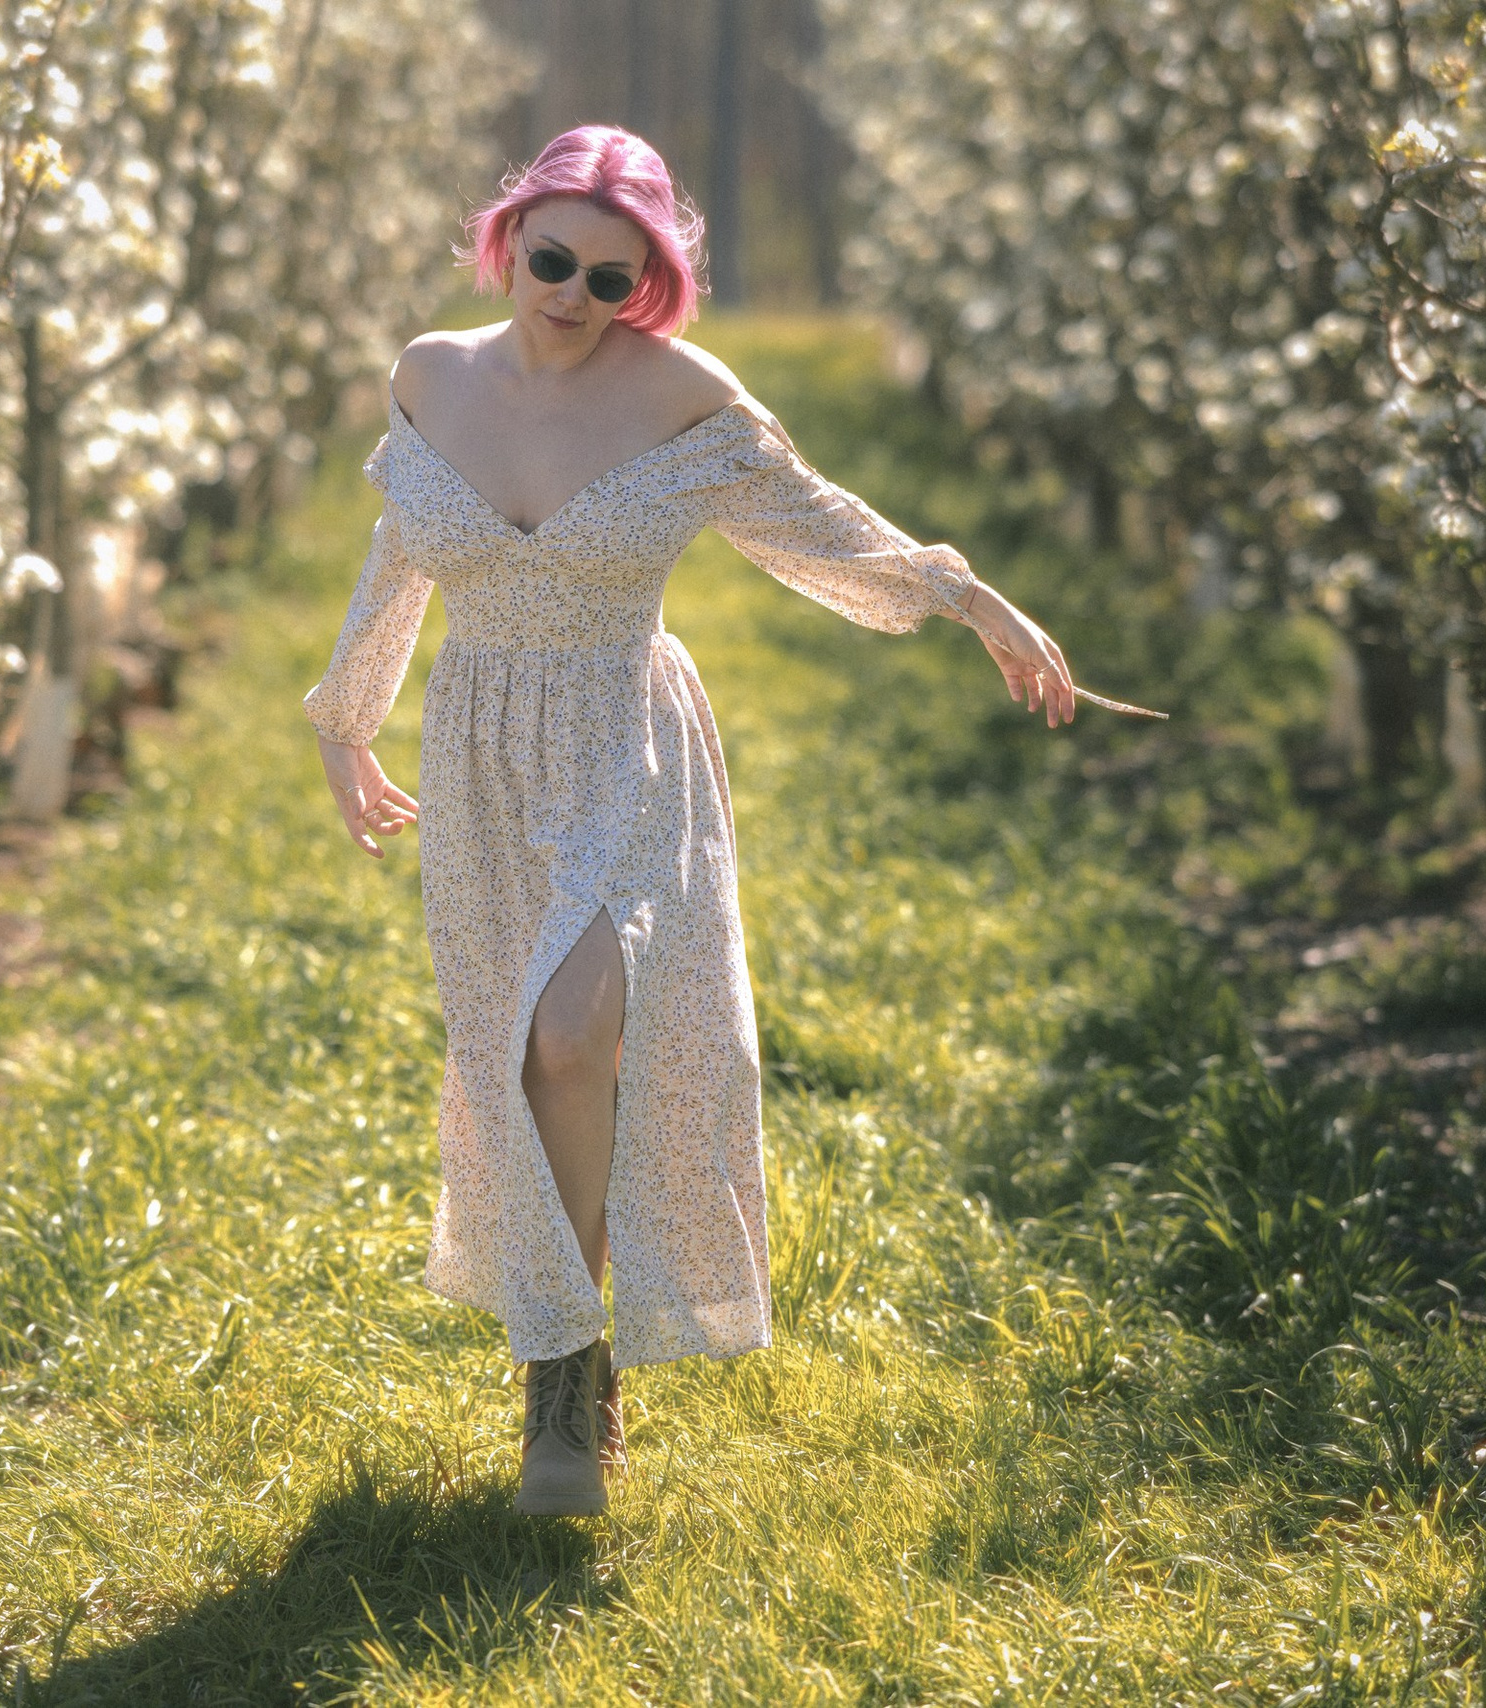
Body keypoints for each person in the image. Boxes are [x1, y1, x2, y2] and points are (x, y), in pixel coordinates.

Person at [304, 125, 1075, 1517]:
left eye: (614, 276)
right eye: (552, 259)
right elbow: (399, 552)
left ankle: (568, 1400)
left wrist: (969, 597)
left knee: (579, 1024)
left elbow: (813, 520)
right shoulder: (433, 374)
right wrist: (345, 721)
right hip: (478, 749)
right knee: (519, 1057)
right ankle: (566, 1361)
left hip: (624, 740)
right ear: (510, 237)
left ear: (646, 283)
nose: (573, 295)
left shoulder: (678, 394)